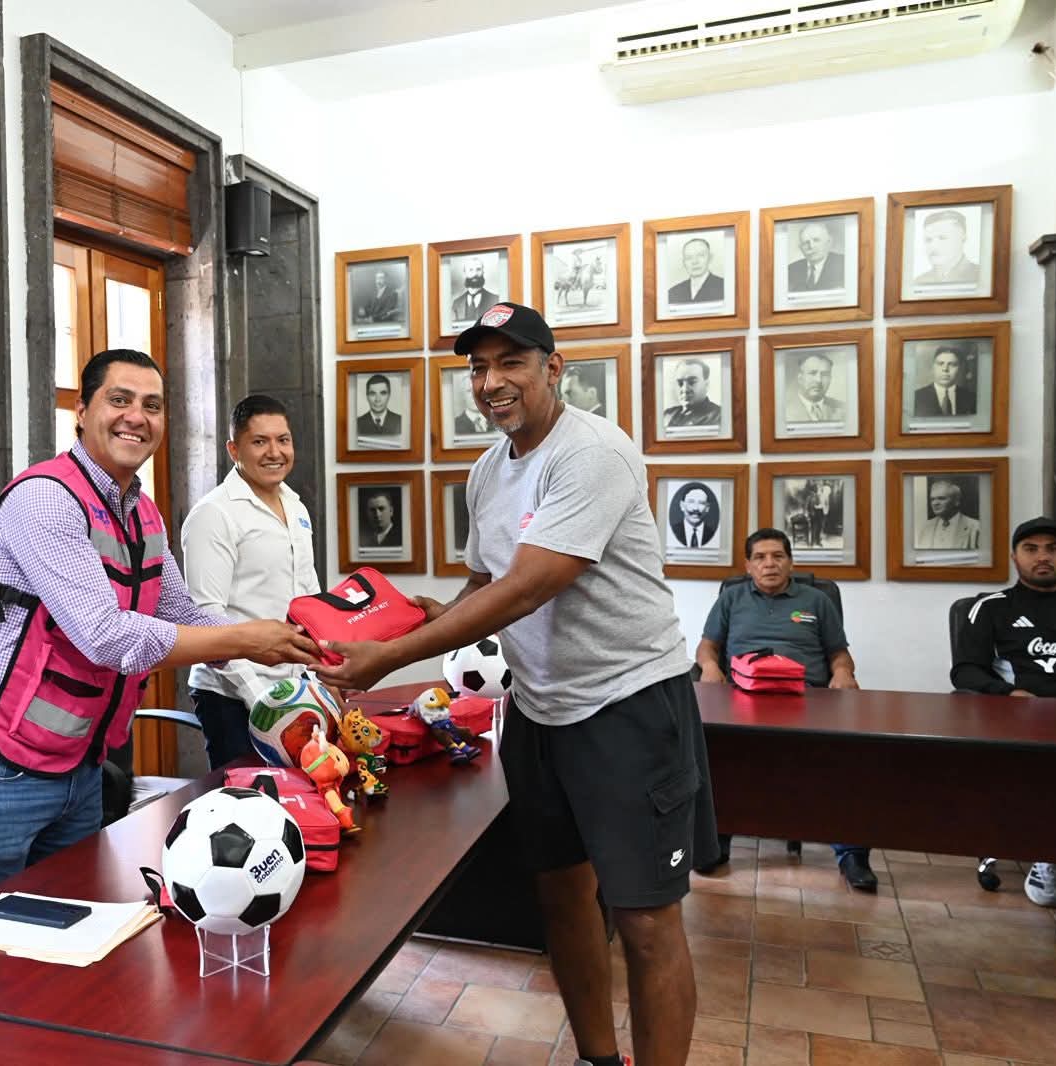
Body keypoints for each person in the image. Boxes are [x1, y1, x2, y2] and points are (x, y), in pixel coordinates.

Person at [317, 301, 718, 1066]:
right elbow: (484, 584)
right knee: (563, 902)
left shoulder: (592, 453)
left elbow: (531, 586)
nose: (492, 382)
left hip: (628, 705)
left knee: (644, 920)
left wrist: (390, 662)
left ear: (553, 368)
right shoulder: (486, 470)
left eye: (511, 363)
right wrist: (396, 629)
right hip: (541, 711)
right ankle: (600, 1060)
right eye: (478, 367)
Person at [0, 350, 319, 912]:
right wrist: (245, 640)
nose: (137, 416)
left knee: (73, 927)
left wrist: (291, 653)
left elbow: (181, 609)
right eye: (120, 400)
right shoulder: (44, 499)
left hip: (80, 764)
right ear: (81, 412)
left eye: (153, 406)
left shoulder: (143, 514)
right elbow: (107, 636)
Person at [693, 529, 874, 890]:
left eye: (777, 556)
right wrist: (711, 668)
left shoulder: (817, 600)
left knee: (844, 762)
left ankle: (851, 854)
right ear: (747, 566)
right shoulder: (731, 598)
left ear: (791, 562)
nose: (769, 563)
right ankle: (716, 841)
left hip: (806, 699)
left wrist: (842, 672)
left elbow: (839, 653)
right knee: (718, 756)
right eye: (760, 557)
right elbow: (707, 647)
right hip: (742, 698)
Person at [181, 395, 320, 768]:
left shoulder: (295, 505)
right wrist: (258, 696)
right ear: (233, 449)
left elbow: (309, 598)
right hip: (234, 695)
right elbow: (205, 616)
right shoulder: (214, 514)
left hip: (295, 687)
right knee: (250, 808)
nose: (275, 452)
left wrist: (325, 669)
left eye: (283, 440)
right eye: (259, 441)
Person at [950, 516, 1056, 907]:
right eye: (1031, 549)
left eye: (1052, 549)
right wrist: (1010, 693)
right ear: (1015, 557)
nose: (1042, 557)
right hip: (1024, 718)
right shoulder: (990, 608)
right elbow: (965, 669)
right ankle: (1048, 854)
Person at [914, 209, 982, 285]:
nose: (933, 246)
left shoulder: (981, 275)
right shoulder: (919, 281)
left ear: (963, 238)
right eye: (928, 240)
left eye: (942, 238)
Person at [911, 346, 977, 418]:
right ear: (933, 367)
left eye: (952, 364)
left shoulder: (972, 399)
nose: (945, 369)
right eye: (940, 364)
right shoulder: (916, 398)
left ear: (960, 368)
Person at [916, 479, 982, 551]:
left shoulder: (975, 528)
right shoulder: (926, 527)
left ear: (956, 501)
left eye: (941, 498)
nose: (935, 503)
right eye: (932, 499)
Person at [783, 352, 847, 424]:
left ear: (830, 379)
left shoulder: (843, 409)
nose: (818, 380)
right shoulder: (783, 411)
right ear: (800, 378)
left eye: (825, 374)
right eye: (812, 373)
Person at [786, 221, 845, 292]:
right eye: (805, 243)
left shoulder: (844, 263)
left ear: (828, 242)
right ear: (801, 248)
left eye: (816, 240)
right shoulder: (791, 270)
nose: (811, 246)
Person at [663, 359, 721, 428]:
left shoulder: (719, 416)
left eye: (692, 382)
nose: (685, 389)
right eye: (680, 383)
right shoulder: (667, 414)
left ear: (706, 385)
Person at [666, 237, 724, 305]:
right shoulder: (673, 292)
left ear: (710, 258)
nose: (695, 262)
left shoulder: (723, 286)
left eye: (700, 255)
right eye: (689, 257)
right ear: (684, 263)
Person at [450, 256, 499, 321]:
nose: (475, 273)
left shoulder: (496, 300)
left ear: (483, 272)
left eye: (478, 269)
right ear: (465, 273)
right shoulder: (456, 303)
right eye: (471, 270)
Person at [355, 373, 404, 439]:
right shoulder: (357, 423)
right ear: (367, 396)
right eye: (372, 393)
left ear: (389, 395)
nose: (378, 399)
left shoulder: (400, 421)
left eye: (383, 393)